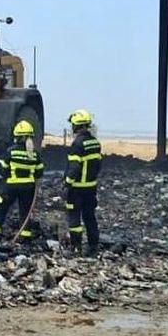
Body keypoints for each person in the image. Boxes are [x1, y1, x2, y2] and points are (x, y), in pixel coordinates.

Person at [0, 119, 44, 240]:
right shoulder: (34, 155)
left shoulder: (11, 152)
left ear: (16, 136)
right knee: (25, 212)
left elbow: (4, 169)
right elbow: (39, 172)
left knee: (0, 208)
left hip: (11, 187)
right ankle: (25, 237)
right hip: (29, 189)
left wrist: (5, 173)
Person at [64, 109, 103, 255]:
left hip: (77, 189)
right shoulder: (95, 143)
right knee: (89, 216)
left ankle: (76, 247)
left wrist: (67, 182)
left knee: (74, 217)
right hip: (91, 188)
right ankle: (93, 246)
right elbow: (98, 164)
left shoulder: (77, 144)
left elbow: (74, 167)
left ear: (76, 125)